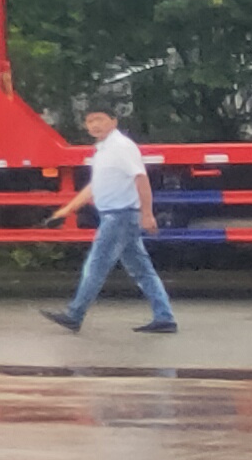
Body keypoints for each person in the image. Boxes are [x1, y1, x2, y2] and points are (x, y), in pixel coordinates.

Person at [44, 110, 178, 334]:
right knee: (141, 270)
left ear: (114, 121)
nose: (94, 125)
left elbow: (141, 178)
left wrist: (147, 213)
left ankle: (74, 315)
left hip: (120, 215)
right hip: (116, 215)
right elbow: (94, 187)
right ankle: (164, 317)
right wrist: (66, 211)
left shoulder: (121, 147)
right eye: (89, 121)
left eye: (99, 119)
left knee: (95, 265)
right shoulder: (103, 150)